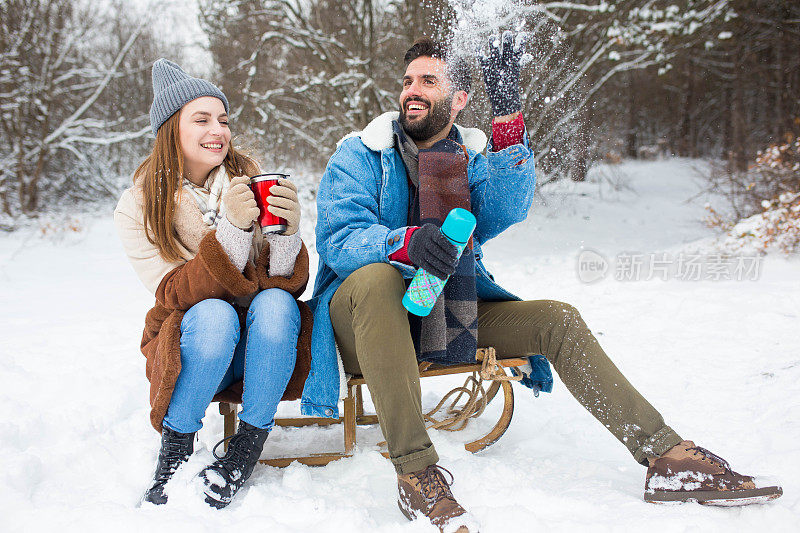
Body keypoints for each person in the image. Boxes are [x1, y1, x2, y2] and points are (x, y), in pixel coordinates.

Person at [306, 35, 782, 532]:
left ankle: (665, 456)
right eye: (407, 82)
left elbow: (508, 208)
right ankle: (417, 474)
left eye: (429, 80)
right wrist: (405, 243)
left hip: (446, 313)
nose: (412, 91)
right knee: (380, 278)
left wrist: (509, 112)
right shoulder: (362, 154)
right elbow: (339, 239)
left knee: (556, 320)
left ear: (460, 98)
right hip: (361, 318)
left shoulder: (467, 161)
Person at [114, 59, 312, 509]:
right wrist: (231, 233)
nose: (218, 130)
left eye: (223, 119)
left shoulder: (249, 178)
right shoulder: (138, 205)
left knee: (281, 305)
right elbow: (171, 292)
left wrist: (288, 233)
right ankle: (177, 447)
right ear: (171, 130)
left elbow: (283, 283)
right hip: (196, 350)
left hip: (263, 349)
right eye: (201, 119)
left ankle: (247, 446)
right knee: (214, 313)